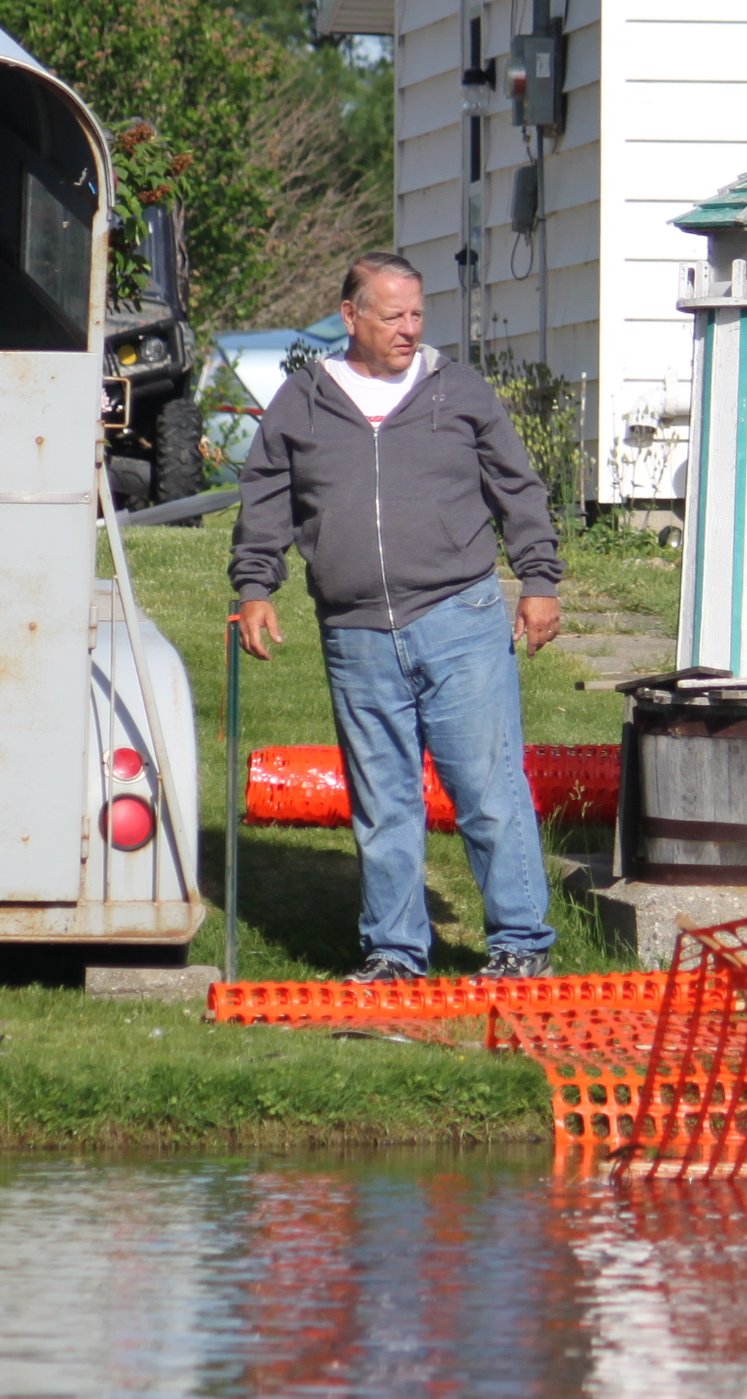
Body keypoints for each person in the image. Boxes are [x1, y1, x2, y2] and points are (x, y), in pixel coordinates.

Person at [230, 252, 566, 984]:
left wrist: (539, 579)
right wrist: (255, 587)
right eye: (392, 316)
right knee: (383, 801)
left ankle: (520, 945)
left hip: (460, 616)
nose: (409, 329)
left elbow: (518, 488)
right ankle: (395, 952)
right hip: (354, 631)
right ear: (350, 316)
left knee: (487, 791)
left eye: (416, 314)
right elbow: (266, 499)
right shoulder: (303, 399)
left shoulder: (459, 389)